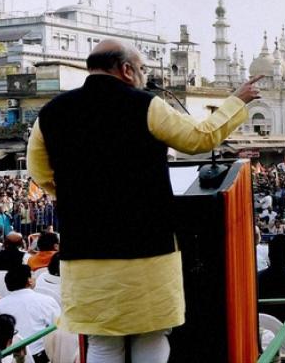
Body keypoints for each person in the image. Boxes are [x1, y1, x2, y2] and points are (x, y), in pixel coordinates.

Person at [26, 39, 261, 362]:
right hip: (148, 250)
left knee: (102, 341)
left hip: (85, 253)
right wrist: (236, 101)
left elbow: (39, 172)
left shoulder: (50, 114)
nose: (142, 75)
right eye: (141, 69)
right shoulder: (146, 105)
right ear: (125, 69)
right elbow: (199, 138)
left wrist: (82, 198)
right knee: (151, 334)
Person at [0, 265, 60, 363]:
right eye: (32, 275)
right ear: (29, 280)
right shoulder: (46, 301)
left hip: (8, 356)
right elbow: (59, 328)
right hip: (40, 357)